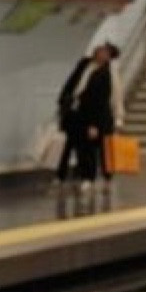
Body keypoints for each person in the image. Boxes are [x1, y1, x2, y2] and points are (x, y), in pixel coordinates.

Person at [54, 41, 117, 189]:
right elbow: (71, 82)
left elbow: (101, 100)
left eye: (105, 52)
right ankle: (62, 175)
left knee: (88, 147)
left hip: (90, 114)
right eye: (100, 49)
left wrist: (95, 124)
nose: (100, 52)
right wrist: (63, 101)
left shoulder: (105, 75)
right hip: (74, 111)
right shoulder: (84, 64)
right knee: (71, 144)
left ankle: (89, 177)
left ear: (108, 57)